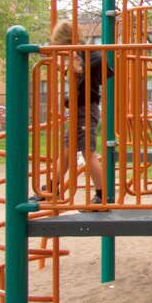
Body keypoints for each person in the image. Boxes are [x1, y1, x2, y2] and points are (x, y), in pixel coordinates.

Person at [42, 20, 113, 208]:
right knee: (66, 153)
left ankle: (102, 196)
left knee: (89, 154)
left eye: (62, 47)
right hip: (78, 109)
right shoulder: (79, 55)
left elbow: (102, 64)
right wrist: (68, 69)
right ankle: (51, 190)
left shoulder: (86, 53)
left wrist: (79, 69)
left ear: (68, 41)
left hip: (85, 109)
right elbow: (80, 79)